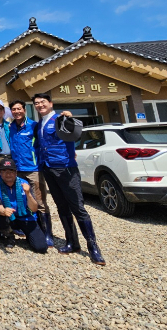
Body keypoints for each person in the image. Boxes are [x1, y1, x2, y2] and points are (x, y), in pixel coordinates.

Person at [32, 92, 105, 265]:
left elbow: (75, 134)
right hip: (48, 168)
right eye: (36, 103)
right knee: (62, 206)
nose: (40, 105)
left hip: (65, 168)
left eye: (43, 102)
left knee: (78, 207)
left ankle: (93, 247)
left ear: (51, 103)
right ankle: (72, 241)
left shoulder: (61, 119)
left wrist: (69, 117)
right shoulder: (39, 124)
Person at [8, 99, 53, 247]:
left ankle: (47, 234)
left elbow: (43, 144)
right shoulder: (11, 127)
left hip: (33, 169)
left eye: (19, 109)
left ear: (24, 109)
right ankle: (31, 230)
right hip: (18, 170)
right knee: (23, 199)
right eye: (14, 109)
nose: (16, 112)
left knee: (40, 201)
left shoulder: (33, 125)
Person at [0, 158, 47, 253]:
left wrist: (28, 194)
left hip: (26, 217)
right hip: (8, 217)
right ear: (0, 172)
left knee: (41, 247)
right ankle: (7, 233)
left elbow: (34, 208)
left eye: (11, 171)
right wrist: (4, 211)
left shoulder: (24, 183)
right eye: (4, 171)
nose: (8, 174)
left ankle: (29, 235)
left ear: (16, 172)